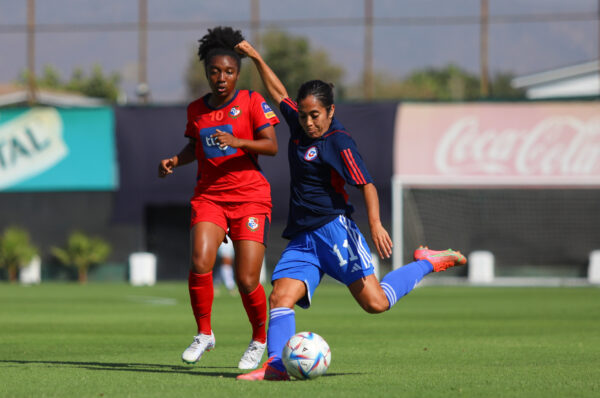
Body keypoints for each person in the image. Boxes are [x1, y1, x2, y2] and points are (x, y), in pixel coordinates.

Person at [234, 40, 467, 381]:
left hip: (335, 233)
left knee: (376, 303)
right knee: (280, 297)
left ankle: (427, 262)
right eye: (303, 115)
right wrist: (255, 57)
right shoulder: (299, 127)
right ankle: (276, 368)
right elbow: (277, 91)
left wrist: (374, 224)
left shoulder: (339, 142)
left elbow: (366, 184)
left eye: (315, 115)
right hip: (303, 238)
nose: (309, 122)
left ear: (330, 111)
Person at [157, 27, 279, 370]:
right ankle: (204, 333)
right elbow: (196, 147)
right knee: (200, 260)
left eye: (228, 71)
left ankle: (259, 339)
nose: (221, 77)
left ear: (238, 73)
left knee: (246, 279)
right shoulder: (196, 109)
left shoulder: (253, 101)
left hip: (251, 198)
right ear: (206, 73)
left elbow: (271, 146)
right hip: (210, 196)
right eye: (215, 71)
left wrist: (239, 142)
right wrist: (175, 161)